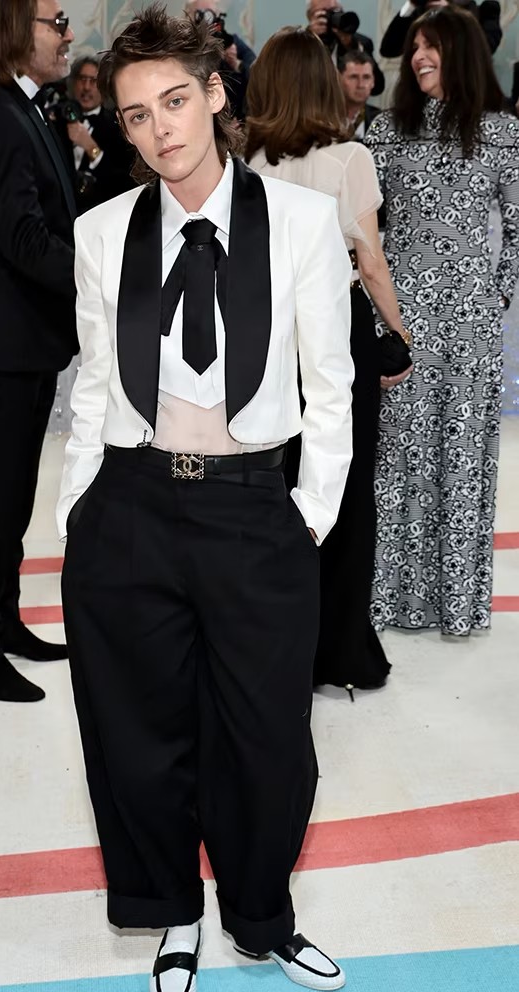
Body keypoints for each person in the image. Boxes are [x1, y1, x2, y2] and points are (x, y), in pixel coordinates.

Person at [59, 4, 354, 992]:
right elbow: (94, 385)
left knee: (267, 735)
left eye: (175, 101)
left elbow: (331, 386)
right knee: (137, 732)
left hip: (254, 509)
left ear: (215, 93)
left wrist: (308, 515)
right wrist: (77, 514)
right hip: (131, 507)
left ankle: (262, 913)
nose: (159, 129)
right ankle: (172, 911)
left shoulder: (301, 221)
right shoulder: (101, 233)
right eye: (136, 115)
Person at [246, 27, 409, 696]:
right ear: (322, 84)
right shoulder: (349, 159)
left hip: (267, 336)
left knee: (278, 485)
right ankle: (341, 650)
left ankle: (279, 645)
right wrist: (398, 333)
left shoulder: (244, 162)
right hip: (336, 330)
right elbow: (370, 262)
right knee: (343, 481)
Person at [366, 6, 519, 636]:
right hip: (401, 321)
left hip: (471, 326)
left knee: (462, 455)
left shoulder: (502, 132)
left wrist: (493, 297)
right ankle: (390, 600)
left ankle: (455, 604)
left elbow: (517, 231)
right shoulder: (386, 132)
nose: (420, 57)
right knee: (399, 457)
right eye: (416, 47)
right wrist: (376, 314)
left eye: (432, 46)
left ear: (463, 54)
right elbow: (361, 232)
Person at [0, 0, 78, 703]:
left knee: (13, 499)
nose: (67, 34)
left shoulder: (22, 108)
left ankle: (3, 621)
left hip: (24, 342)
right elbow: (25, 240)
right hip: (2, 344)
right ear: (13, 29)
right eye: (55, 21)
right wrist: (101, 275)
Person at [50, 54, 134, 214]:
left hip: (103, 212)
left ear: (103, 87)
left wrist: (91, 147)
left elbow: (123, 183)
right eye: (82, 79)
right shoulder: (56, 121)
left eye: (93, 81)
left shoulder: (119, 127)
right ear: (73, 83)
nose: (87, 87)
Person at [307, 0, 385, 96]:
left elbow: (377, 88)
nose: (330, 16)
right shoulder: (300, 44)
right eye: (323, 13)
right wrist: (310, 38)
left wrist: (350, 46)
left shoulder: (359, 43)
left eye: (334, 10)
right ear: (310, 17)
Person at [380, 1, 502, 59]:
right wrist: (411, 5)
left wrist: (449, 12)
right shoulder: (421, 13)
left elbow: (484, 49)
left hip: (466, 92)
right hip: (423, 94)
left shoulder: (485, 11)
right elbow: (389, 49)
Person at [184, 0, 256, 71]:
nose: (204, 20)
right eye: (198, 15)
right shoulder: (183, 45)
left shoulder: (230, 42)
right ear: (188, 17)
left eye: (209, 15)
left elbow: (255, 69)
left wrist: (236, 64)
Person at [338, 50, 381, 142]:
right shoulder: (324, 117)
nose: (360, 85)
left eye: (366, 77)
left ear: (373, 82)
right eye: (353, 77)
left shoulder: (380, 120)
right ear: (338, 79)